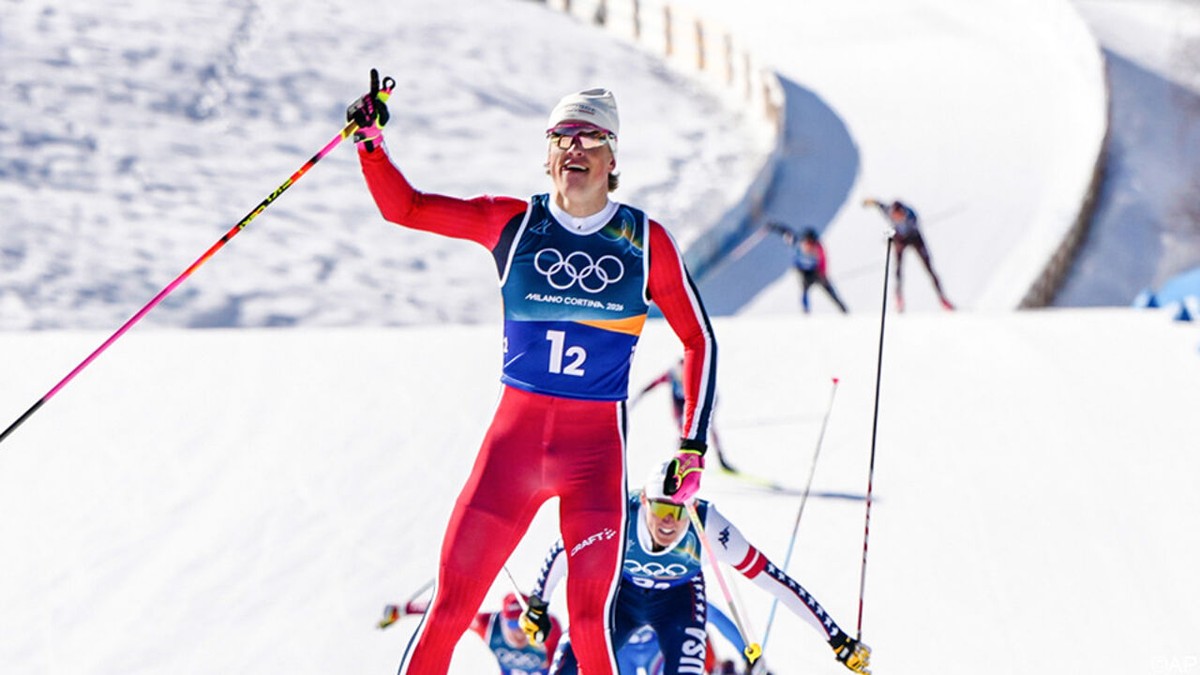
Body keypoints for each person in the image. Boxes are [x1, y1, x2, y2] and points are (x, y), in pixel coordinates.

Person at [347, 71, 718, 675]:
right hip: (511, 453)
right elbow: (405, 208)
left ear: (612, 156)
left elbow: (698, 337)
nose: (575, 147)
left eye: (590, 137)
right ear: (547, 155)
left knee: (591, 626)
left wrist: (692, 447)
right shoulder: (512, 224)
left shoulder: (646, 242)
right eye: (563, 136)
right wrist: (369, 143)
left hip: (594, 462)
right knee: (448, 610)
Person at [519, 463, 873, 675]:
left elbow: (776, 582)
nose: (668, 523)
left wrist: (836, 639)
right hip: (620, 600)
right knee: (565, 665)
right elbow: (564, 549)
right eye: (660, 510)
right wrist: (538, 606)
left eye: (677, 512)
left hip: (678, 603)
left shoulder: (708, 524)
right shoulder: (619, 517)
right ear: (643, 501)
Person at [378, 593, 563, 675]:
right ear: (503, 620)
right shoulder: (488, 626)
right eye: (512, 623)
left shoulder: (547, 628)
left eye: (523, 622)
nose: (519, 631)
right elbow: (447, 612)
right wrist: (404, 610)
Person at [862, 198, 954, 312]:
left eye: (900, 215)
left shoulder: (910, 215)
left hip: (914, 237)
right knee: (898, 269)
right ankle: (898, 298)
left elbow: (915, 224)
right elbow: (879, 204)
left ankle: (942, 298)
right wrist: (870, 202)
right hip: (901, 239)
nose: (897, 217)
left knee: (929, 267)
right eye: (895, 216)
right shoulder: (889, 211)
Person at [767, 222, 849, 314]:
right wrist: (774, 227)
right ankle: (806, 313)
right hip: (803, 272)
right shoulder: (797, 242)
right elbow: (786, 232)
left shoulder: (818, 247)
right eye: (808, 242)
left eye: (811, 242)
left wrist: (822, 274)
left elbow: (823, 261)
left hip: (816, 272)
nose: (809, 245)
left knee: (830, 292)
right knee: (804, 292)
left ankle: (844, 310)